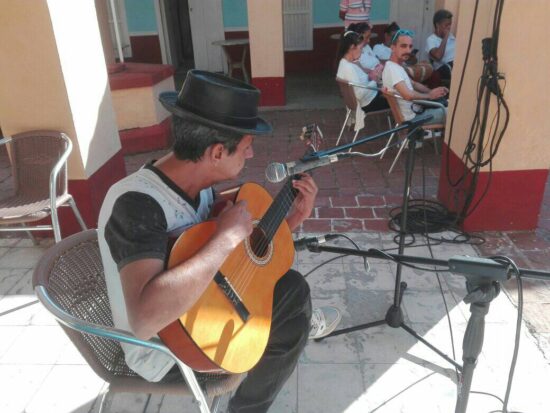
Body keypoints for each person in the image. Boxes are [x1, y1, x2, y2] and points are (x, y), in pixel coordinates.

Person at [97, 70, 339, 412]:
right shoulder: (136, 204)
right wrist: (224, 239)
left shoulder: (198, 185)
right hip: (166, 351)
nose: (251, 155)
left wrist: (293, 219)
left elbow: (225, 258)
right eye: (246, 147)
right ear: (215, 152)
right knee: (294, 303)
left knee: (289, 291)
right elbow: (145, 319)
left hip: (204, 308)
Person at [382, 29, 449, 126]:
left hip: (417, 111)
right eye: (403, 46)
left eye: (410, 46)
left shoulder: (396, 67)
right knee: (454, 112)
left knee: (448, 104)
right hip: (414, 118)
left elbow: (414, 84)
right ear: (392, 48)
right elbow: (408, 95)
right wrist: (429, 95)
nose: (408, 50)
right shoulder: (392, 69)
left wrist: (433, 91)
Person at [336, 31, 389, 113]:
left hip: (368, 98)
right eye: (360, 48)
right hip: (368, 103)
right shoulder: (349, 67)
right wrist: (374, 80)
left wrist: (370, 77)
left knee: (393, 91)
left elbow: (358, 83)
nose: (361, 52)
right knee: (399, 98)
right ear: (352, 47)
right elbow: (359, 95)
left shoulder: (345, 63)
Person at [425, 9, 455, 86]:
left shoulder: (452, 37)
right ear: (437, 25)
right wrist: (445, 37)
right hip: (444, 68)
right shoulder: (431, 40)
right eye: (446, 25)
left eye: (450, 24)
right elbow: (438, 56)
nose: (449, 27)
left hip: (455, 64)